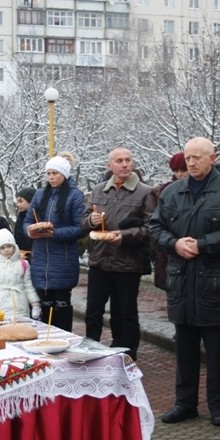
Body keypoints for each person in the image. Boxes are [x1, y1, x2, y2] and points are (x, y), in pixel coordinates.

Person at [150, 137, 220, 427]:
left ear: (212, 158)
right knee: (185, 348)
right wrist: (175, 243)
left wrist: (203, 245)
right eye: (187, 158)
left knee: (217, 351)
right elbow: (155, 227)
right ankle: (185, 403)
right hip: (181, 281)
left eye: (197, 157)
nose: (190, 163)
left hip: (215, 282)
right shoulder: (172, 192)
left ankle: (218, 406)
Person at [83, 148, 156, 360]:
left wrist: (123, 235)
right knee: (93, 311)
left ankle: (126, 354)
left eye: (128, 160)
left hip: (127, 262)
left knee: (125, 313)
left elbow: (150, 228)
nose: (124, 164)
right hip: (99, 260)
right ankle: (90, 349)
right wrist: (91, 221)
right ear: (110, 166)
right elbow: (83, 220)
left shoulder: (145, 192)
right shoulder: (98, 190)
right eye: (119, 161)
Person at [22, 156, 85, 332]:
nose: (51, 177)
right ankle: (45, 339)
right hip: (41, 259)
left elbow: (80, 227)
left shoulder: (75, 195)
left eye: (55, 173)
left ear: (64, 174)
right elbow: (27, 220)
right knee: (44, 304)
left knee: (62, 305)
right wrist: (30, 230)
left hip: (63, 260)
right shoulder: (40, 194)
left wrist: (55, 233)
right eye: (48, 173)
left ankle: (65, 339)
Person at [0, 229, 41, 318]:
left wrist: (35, 304)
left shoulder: (23, 264)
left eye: (9, 246)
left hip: (20, 307)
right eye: (2, 248)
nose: (6, 250)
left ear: (14, 246)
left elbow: (28, 285)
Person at [152, 152, 188, 291]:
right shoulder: (166, 190)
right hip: (168, 245)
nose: (180, 174)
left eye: (183, 170)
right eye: (176, 171)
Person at [13, 187, 36, 259]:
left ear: (30, 201)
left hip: (34, 259)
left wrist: (28, 256)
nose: (18, 204)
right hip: (20, 258)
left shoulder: (37, 218)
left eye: (20, 201)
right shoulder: (20, 217)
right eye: (17, 202)